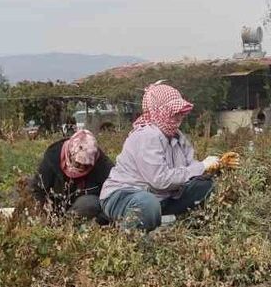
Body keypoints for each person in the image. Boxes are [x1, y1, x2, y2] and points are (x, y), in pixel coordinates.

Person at [100, 82, 236, 231]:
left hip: (161, 196)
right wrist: (202, 166)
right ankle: (130, 240)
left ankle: (185, 226)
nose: (179, 117)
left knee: (205, 186)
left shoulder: (177, 137)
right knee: (147, 204)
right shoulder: (146, 136)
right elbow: (160, 180)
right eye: (174, 112)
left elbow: (191, 170)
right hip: (124, 195)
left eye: (179, 112)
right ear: (159, 111)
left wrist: (217, 165)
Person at [31, 128, 112, 220]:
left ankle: (69, 223)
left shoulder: (102, 163)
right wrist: (44, 213)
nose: (81, 167)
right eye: (78, 163)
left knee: (90, 203)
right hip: (55, 206)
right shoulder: (52, 157)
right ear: (70, 154)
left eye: (86, 165)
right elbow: (37, 189)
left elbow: (114, 190)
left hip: (83, 208)